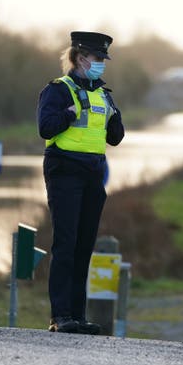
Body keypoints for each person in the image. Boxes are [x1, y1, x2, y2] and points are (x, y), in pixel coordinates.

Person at [37, 31, 125, 334]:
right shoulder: (58, 90)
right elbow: (45, 127)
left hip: (92, 173)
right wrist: (69, 113)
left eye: (103, 59)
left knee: (84, 246)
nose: (101, 64)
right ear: (79, 57)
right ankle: (60, 316)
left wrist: (115, 118)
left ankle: (77, 314)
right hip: (64, 170)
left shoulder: (104, 94)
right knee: (66, 244)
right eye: (97, 58)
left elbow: (114, 138)